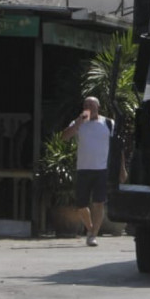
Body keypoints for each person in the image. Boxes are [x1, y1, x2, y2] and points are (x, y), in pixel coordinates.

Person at [61, 96, 114, 246]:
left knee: (98, 203)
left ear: (98, 107)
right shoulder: (78, 123)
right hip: (83, 169)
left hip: (101, 169)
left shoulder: (108, 123)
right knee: (81, 204)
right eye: (86, 104)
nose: (89, 107)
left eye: (91, 104)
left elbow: (117, 146)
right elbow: (64, 137)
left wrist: (121, 168)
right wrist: (78, 122)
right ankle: (90, 229)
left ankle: (93, 235)